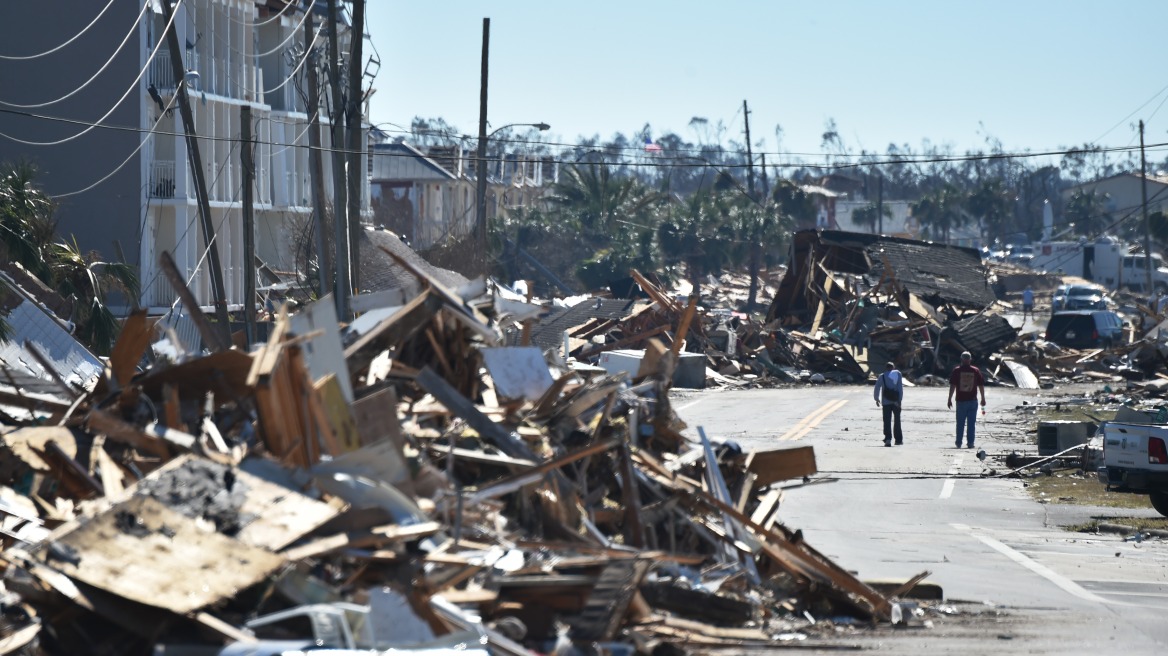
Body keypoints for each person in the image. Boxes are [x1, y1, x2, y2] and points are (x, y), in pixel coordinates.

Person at [947, 351, 986, 449]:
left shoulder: (957, 371)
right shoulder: (975, 370)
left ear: (961, 359)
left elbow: (953, 386)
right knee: (971, 424)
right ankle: (970, 443)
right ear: (970, 360)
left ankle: (959, 443)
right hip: (973, 401)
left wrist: (949, 398)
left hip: (961, 401)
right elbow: (981, 385)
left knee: (960, 423)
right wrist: (983, 398)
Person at [873, 361, 904, 447]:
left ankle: (888, 439)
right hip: (896, 402)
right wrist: (899, 400)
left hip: (886, 402)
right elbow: (900, 388)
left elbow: (877, 387)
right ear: (893, 367)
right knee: (897, 421)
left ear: (886, 368)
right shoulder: (898, 374)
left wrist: (876, 399)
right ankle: (898, 440)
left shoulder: (882, 376)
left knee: (887, 421)